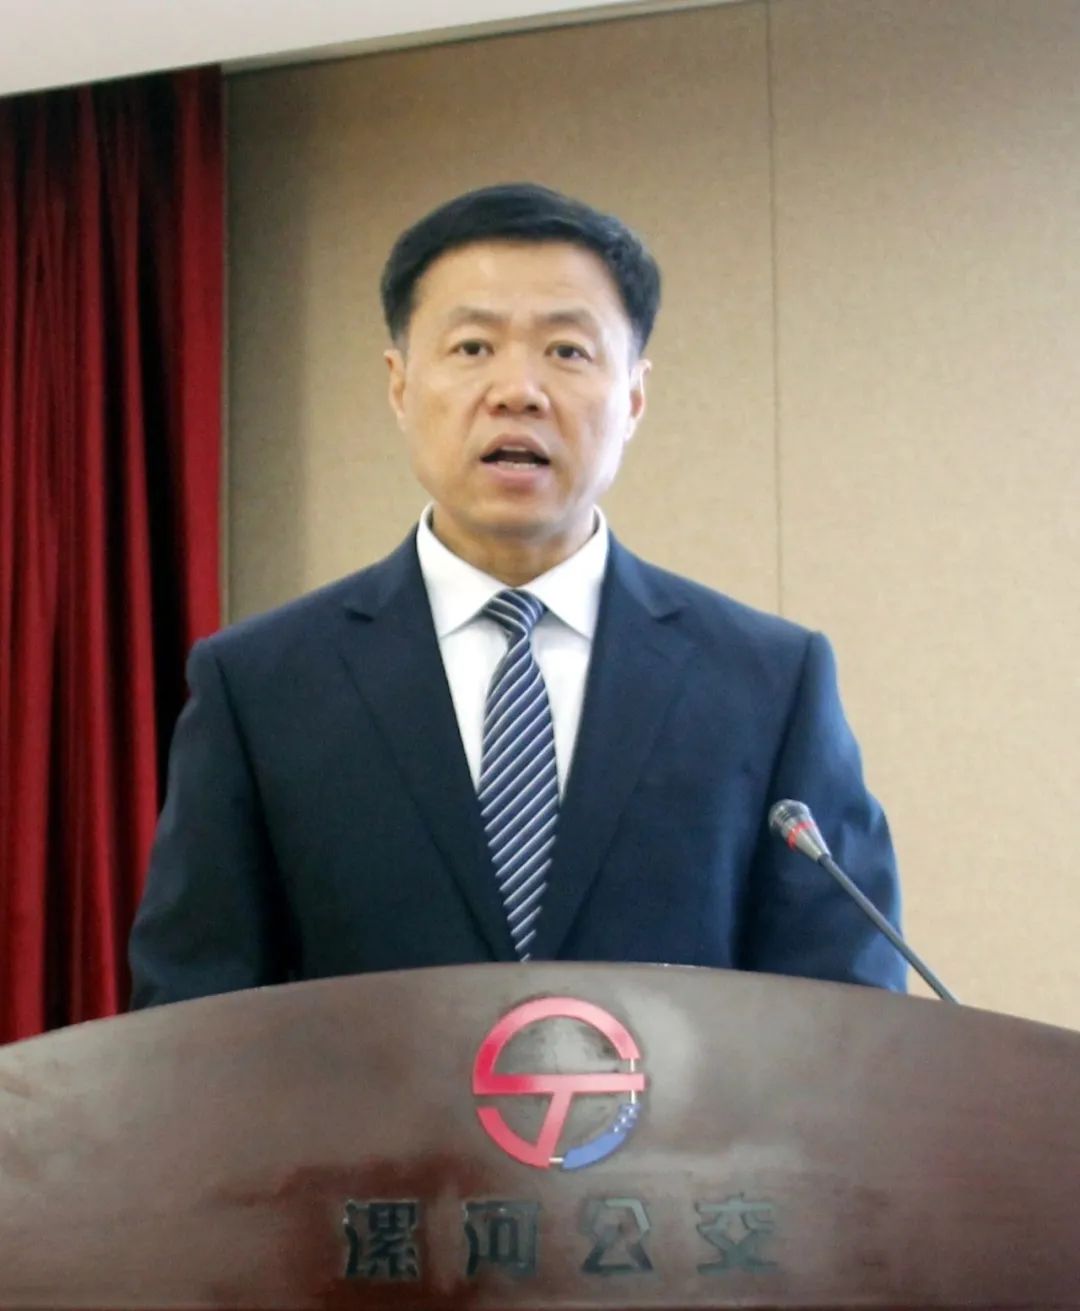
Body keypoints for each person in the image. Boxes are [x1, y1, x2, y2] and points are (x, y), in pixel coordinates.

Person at [129, 182, 904, 1008]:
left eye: (567, 351)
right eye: (472, 347)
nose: (517, 390)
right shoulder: (261, 686)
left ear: (634, 396)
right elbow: (188, 1017)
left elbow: (848, 1013)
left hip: (693, 1105)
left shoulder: (768, 683)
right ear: (399, 385)